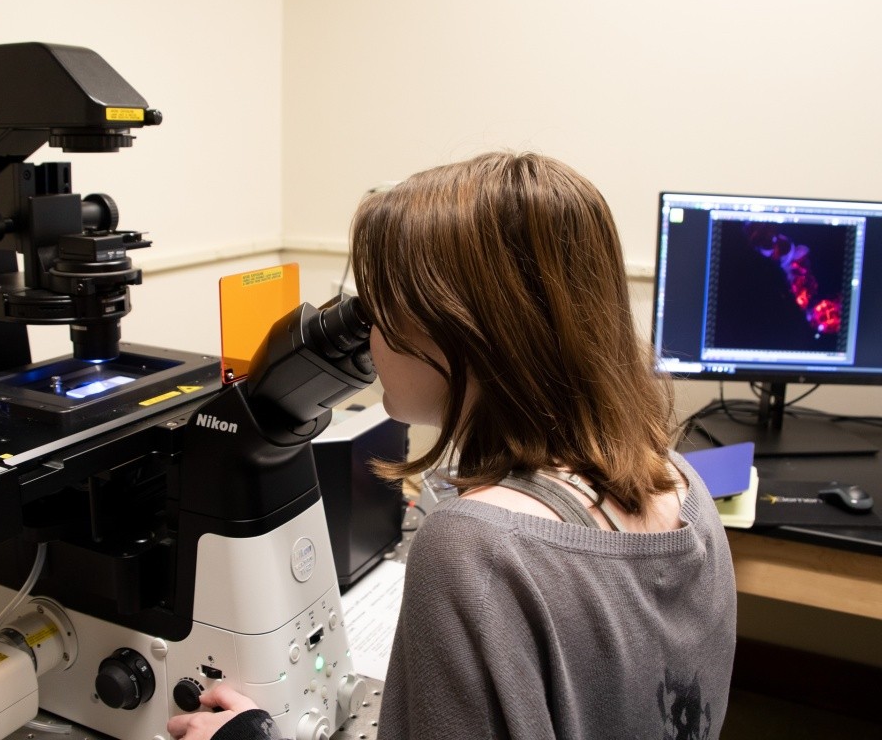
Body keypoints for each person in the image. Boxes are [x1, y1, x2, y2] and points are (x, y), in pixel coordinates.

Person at [168, 151, 737, 740]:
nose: (370, 341)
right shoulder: (682, 483)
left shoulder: (474, 546)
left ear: (454, 328)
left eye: (380, 311)